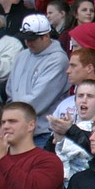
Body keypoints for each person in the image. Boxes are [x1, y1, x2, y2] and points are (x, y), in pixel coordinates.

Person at [7, 14, 70, 148]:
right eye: (26, 39)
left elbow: (38, 99)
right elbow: (10, 91)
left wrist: (10, 115)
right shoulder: (22, 55)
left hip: (43, 133)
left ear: (46, 36)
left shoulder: (58, 60)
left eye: (33, 39)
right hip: (19, 130)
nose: (28, 43)